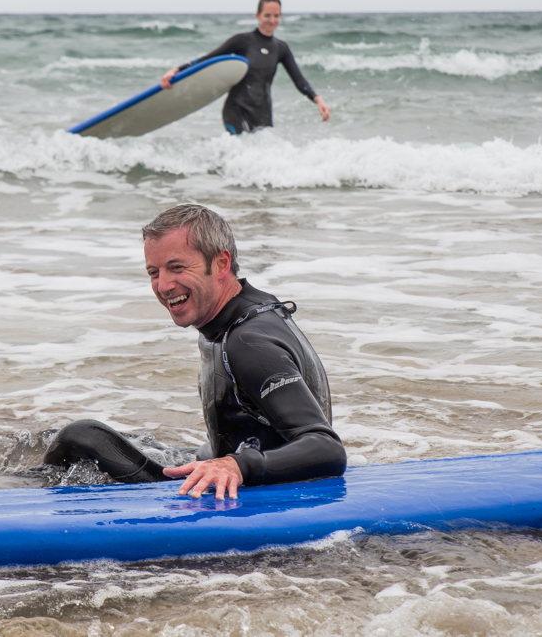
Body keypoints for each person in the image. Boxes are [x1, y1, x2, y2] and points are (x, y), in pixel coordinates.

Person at [44, 204, 347, 500]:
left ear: (221, 264)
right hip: (223, 466)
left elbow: (327, 448)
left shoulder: (248, 343)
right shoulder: (234, 317)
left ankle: (31, 501)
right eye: (153, 272)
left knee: (80, 437)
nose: (163, 285)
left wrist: (238, 465)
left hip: (261, 494)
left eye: (176, 267)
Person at [159, 0, 331, 134]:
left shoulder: (281, 48)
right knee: (240, 153)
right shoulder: (242, 41)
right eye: (267, 15)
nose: (272, 20)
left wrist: (317, 99)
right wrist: (176, 70)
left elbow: (298, 80)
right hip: (237, 110)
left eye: (276, 16)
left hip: (263, 113)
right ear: (258, 15)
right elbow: (208, 59)